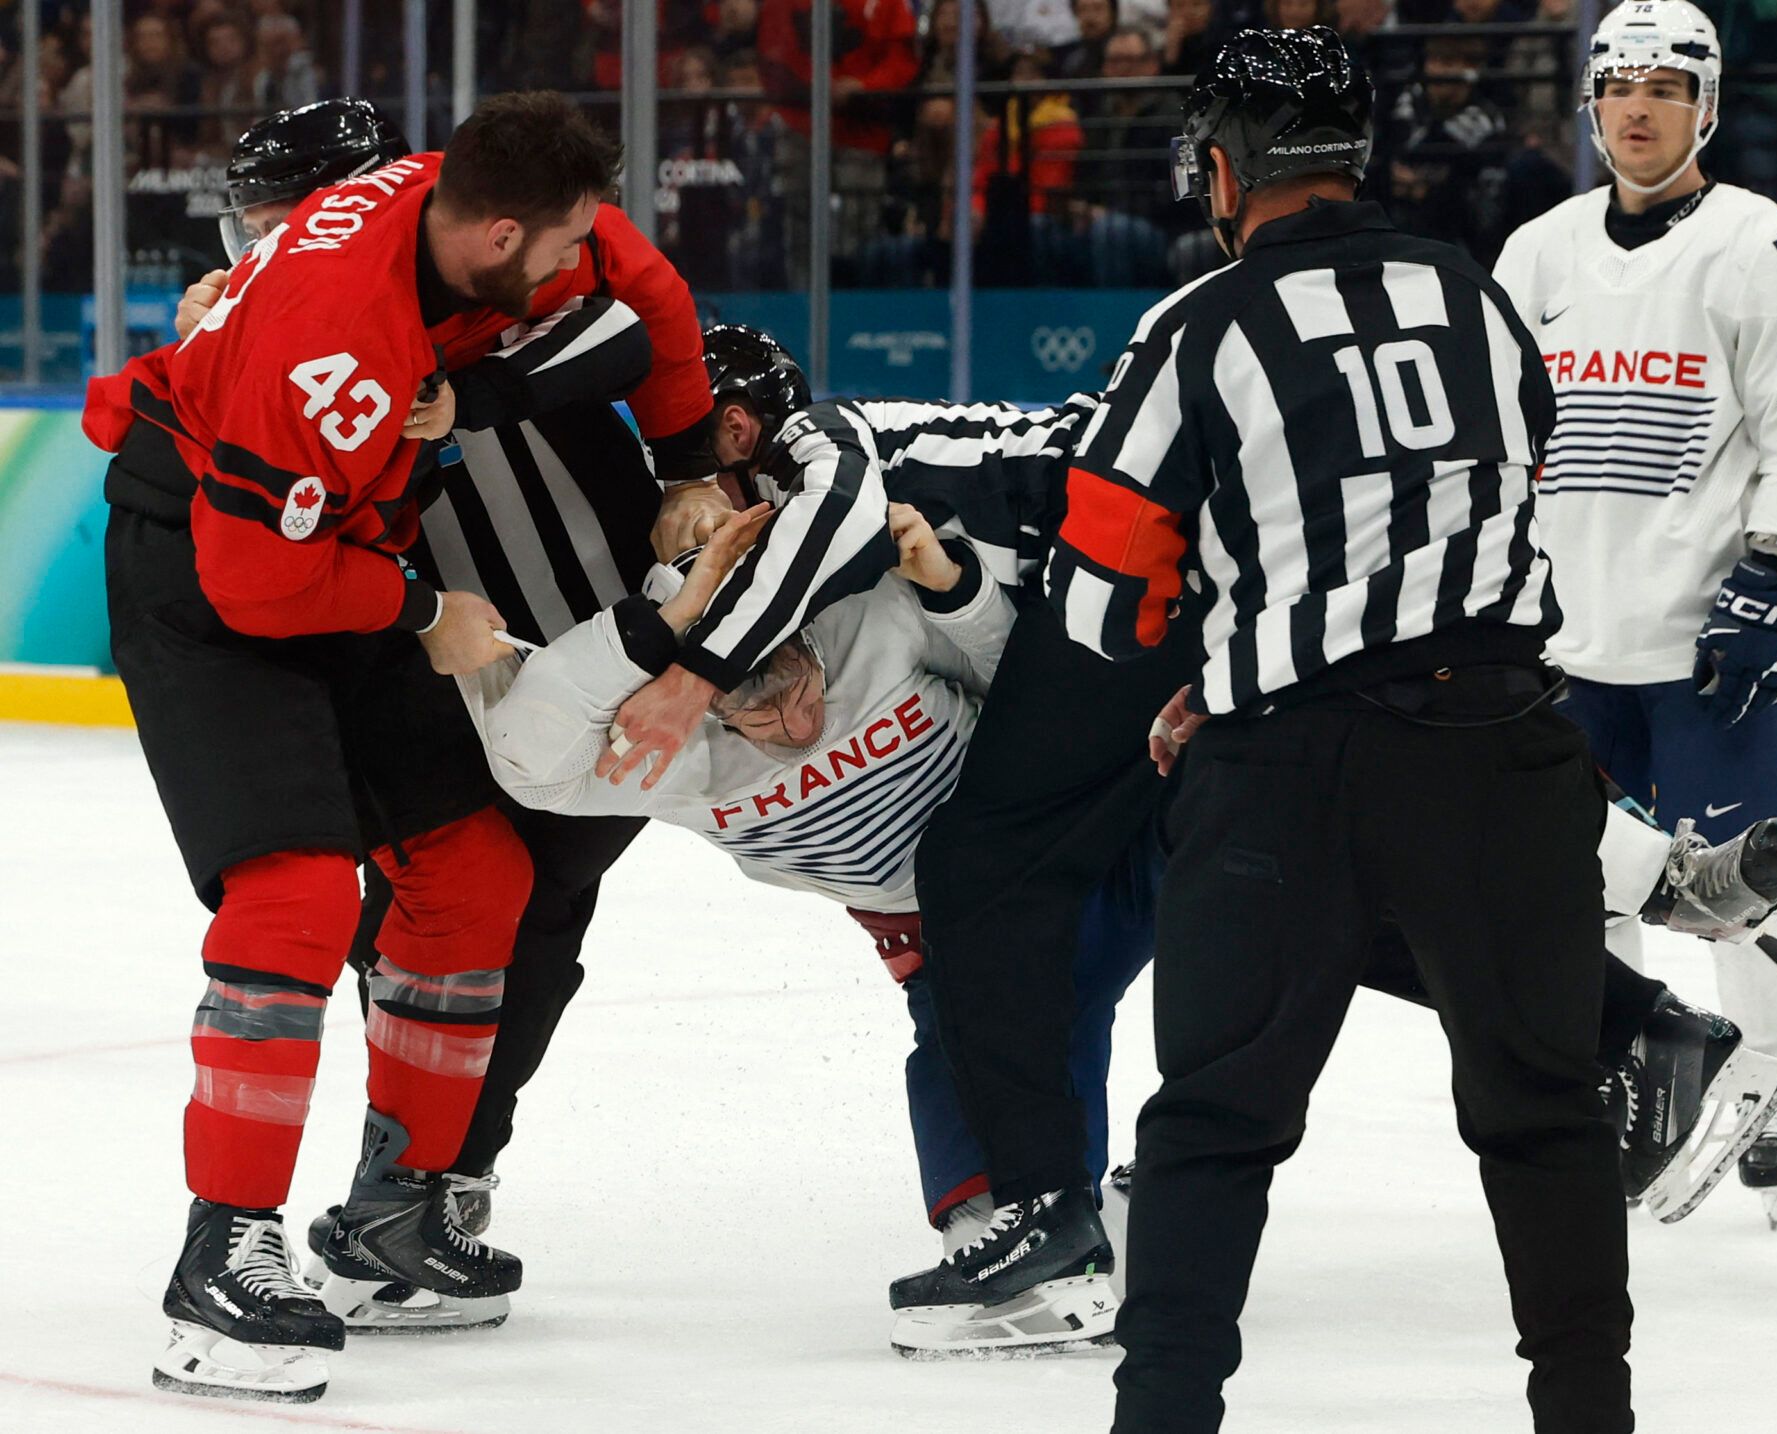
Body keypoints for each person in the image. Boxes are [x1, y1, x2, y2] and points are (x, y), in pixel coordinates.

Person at [614, 323, 1777, 1358]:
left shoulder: (828, 461)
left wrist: (683, 664)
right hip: (1157, 595)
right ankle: (1637, 1010)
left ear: (736, 433)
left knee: (997, 875)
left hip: (1161, 575)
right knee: (1300, 849)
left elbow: (897, 595)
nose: (705, 519)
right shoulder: (824, 534)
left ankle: (1046, 1226)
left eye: (696, 473)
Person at [1041, 27, 1632, 1430]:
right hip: (1508, 752)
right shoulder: (1478, 295)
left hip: (1292, 777)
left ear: (1228, 168)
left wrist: (1214, 649)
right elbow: (1489, 490)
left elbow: (1095, 600)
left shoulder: (1197, 325)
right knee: (1547, 1115)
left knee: (1210, 1132)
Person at [79, 92, 640, 1403]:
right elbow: (253, 582)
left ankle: (397, 1217)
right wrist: (422, 608)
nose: (569, 273)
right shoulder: (331, 338)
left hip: (336, 556)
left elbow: (629, 277)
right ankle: (219, 1259)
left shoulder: (444, 200)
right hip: (215, 577)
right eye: (555, 253)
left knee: (473, 871)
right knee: (296, 887)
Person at [170, 94, 719, 1327]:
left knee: (533, 907)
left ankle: (436, 1177)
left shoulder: (518, 277)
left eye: (272, 224)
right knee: (455, 903)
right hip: (428, 646)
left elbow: (639, 323)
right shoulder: (324, 300)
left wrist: (677, 461)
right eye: (248, 234)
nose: (257, 253)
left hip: (580, 636)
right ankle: (415, 1184)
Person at [460, 502, 1153, 1352]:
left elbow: (1026, 679)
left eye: (801, 687)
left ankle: (1076, 1215)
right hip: (951, 939)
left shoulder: (866, 619)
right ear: (699, 700)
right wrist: (669, 618)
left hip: (1082, 843)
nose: (800, 725)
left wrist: (955, 592)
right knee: (968, 1044)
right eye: (763, 717)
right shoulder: (665, 751)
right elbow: (529, 763)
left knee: (1238, 921)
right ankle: (1045, 1225)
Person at [1491, 0, 1777, 1228]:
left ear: (1707, 105)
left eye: (1665, 85)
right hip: (1566, 652)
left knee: (1733, 894)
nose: (1638, 107)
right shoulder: (1537, 253)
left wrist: (1776, 564)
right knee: (1583, 893)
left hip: (1711, 649)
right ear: (1591, 102)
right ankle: (1631, 1067)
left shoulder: (1765, 248)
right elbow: (1498, 443)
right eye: (1618, 85)